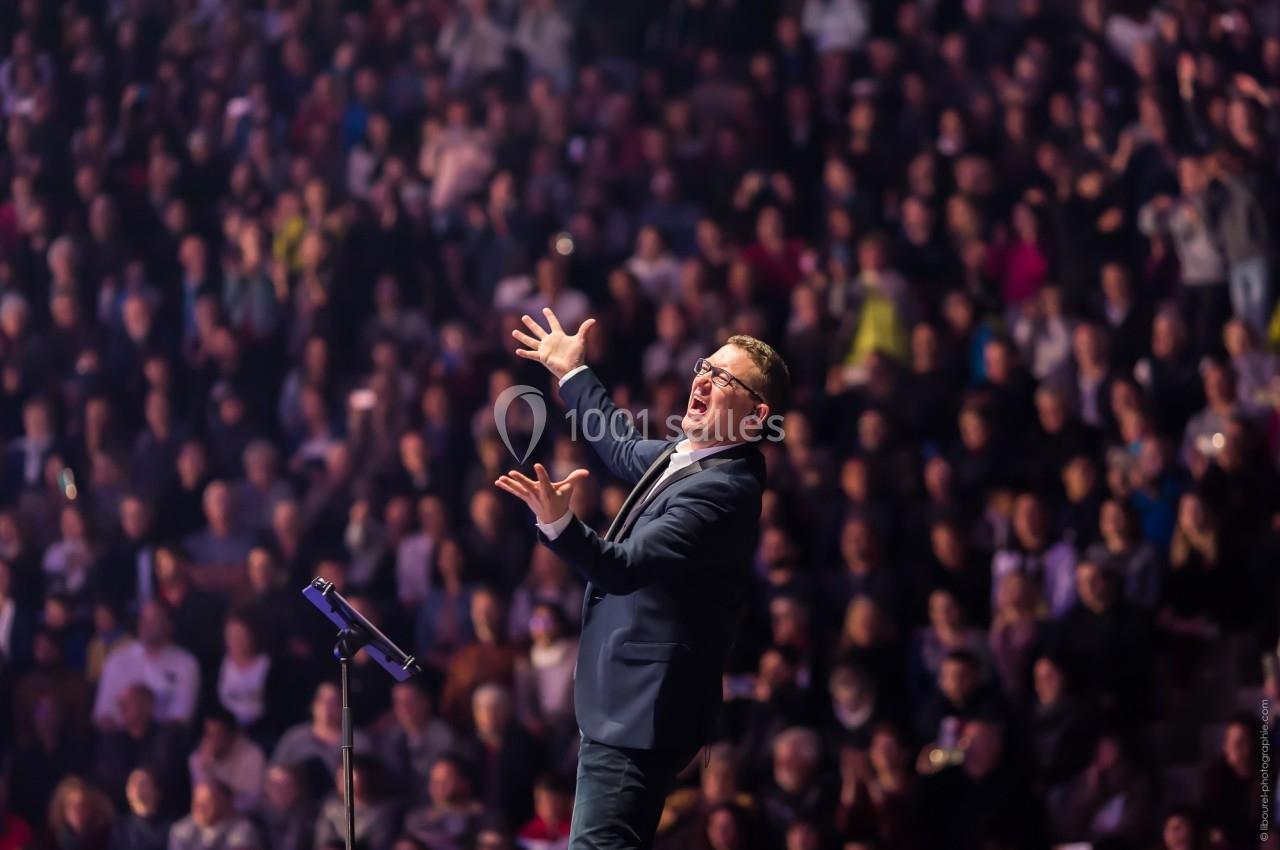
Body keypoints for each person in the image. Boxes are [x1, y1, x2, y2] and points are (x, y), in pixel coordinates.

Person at [498, 307, 788, 850]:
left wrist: (559, 523)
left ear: (755, 416)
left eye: (723, 378)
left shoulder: (725, 490)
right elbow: (625, 449)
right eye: (707, 365)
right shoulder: (696, 454)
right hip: (624, 702)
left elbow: (624, 567)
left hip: (641, 713)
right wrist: (574, 373)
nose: (702, 378)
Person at [92, 601, 200, 729]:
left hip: (165, 740)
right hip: (120, 738)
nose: (144, 624)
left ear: (169, 625)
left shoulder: (186, 663)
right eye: (143, 618)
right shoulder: (117, 660)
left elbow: (182, 716)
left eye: (153, 619)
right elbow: (102, 713)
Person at [166, 781, 260, 850]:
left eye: (207, 803)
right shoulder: (181, 831)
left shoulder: (242, 829)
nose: (200, 808)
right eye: (196, 802)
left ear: (224, 804)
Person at [107, 769, 171, 850]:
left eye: (143, 783)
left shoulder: (170, 828)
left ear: (156, 790)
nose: (136, 787)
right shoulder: (120, 829)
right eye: (132, 783)